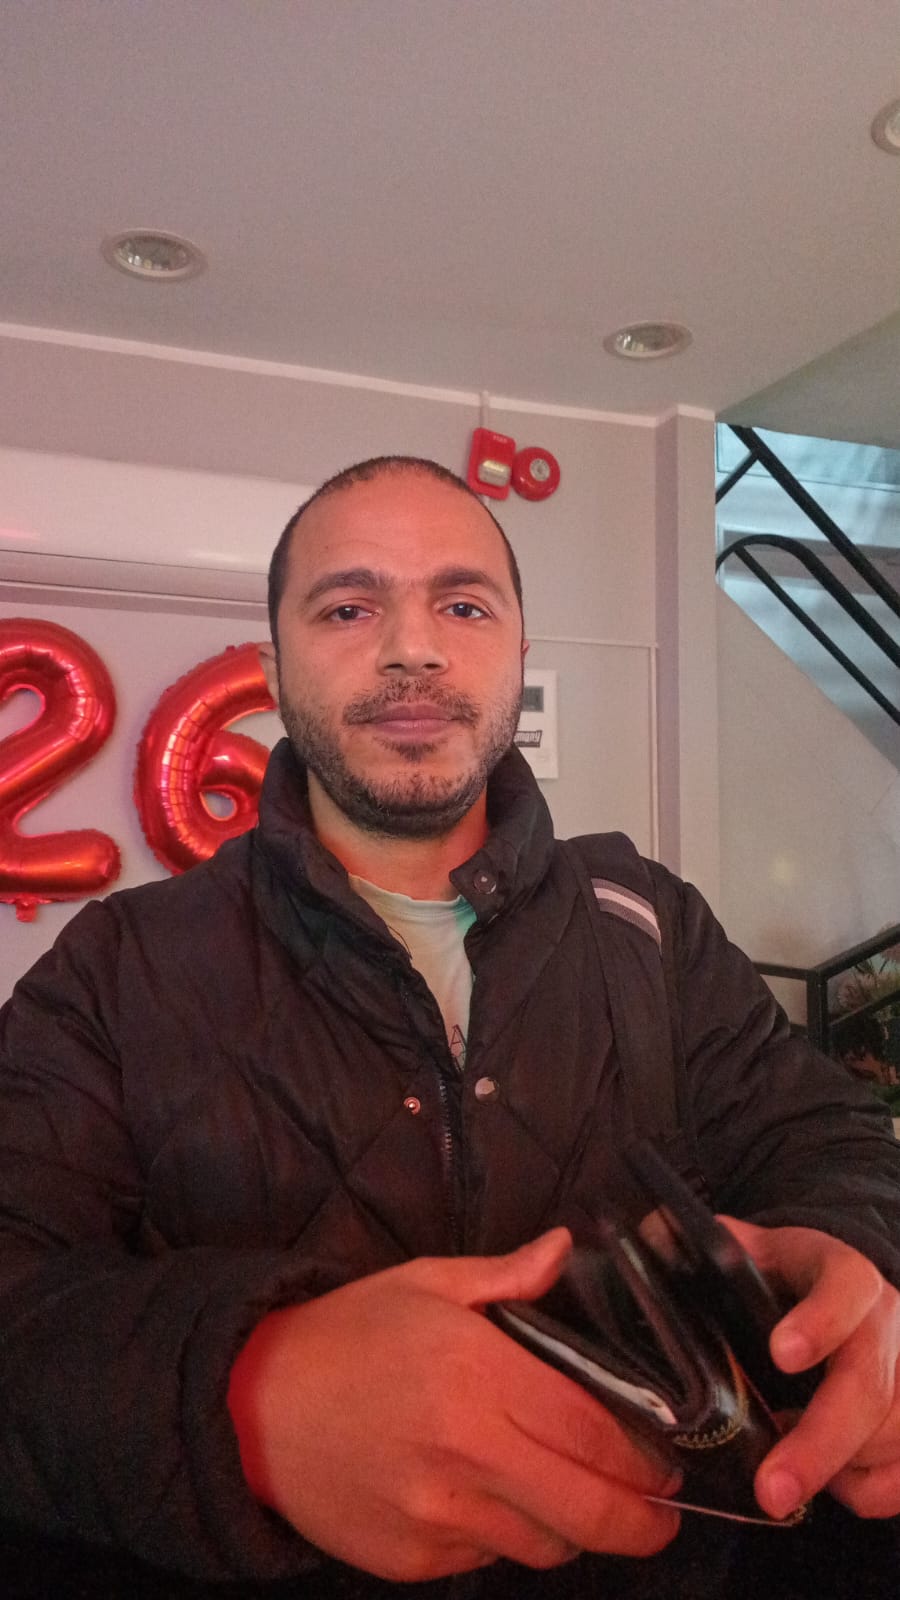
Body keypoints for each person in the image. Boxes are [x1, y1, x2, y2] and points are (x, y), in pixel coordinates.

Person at [1, 455, 899, 1600]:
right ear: (272, 670)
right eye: (349, 608)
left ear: (519, 656)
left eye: (464, 606)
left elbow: (826, 1141)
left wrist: (853, 1253)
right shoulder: (117, 966)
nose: (413, 648)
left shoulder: (650, 923)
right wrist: (244, 1394)